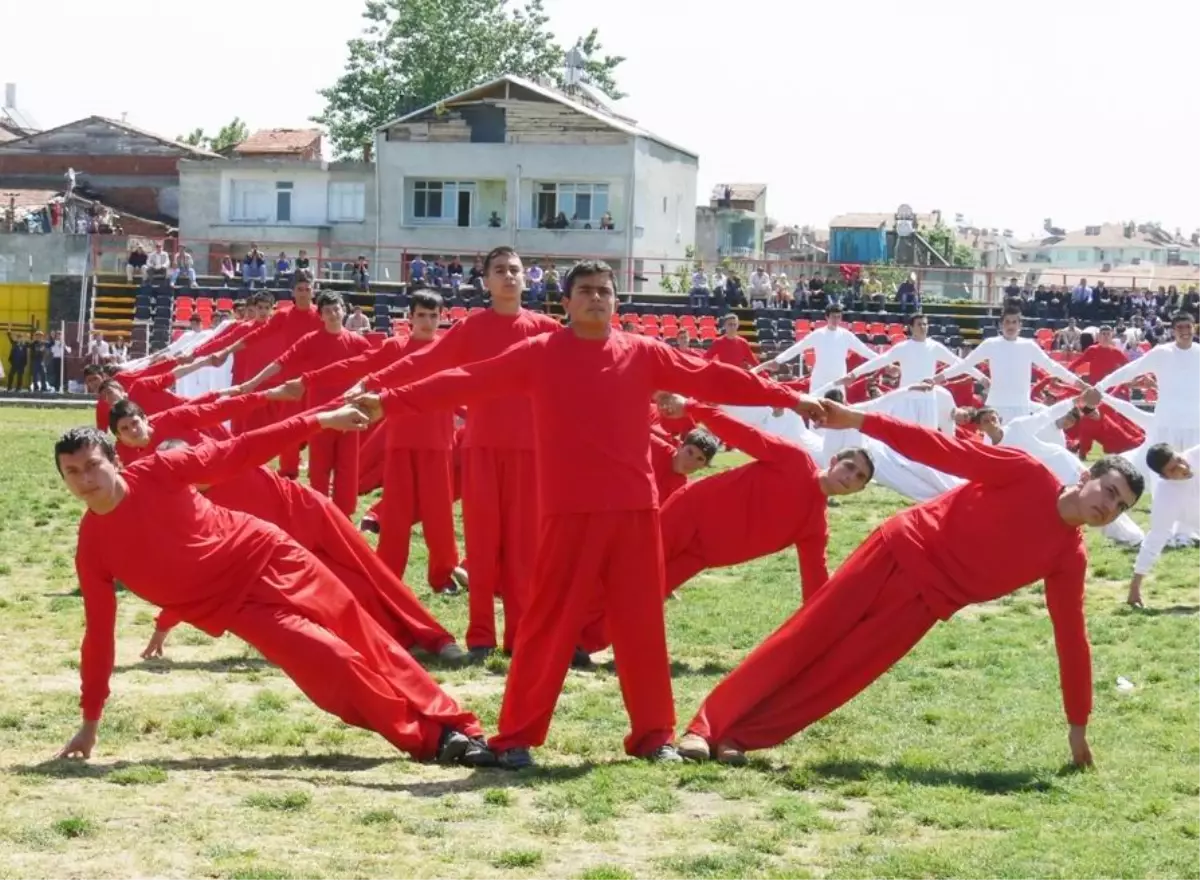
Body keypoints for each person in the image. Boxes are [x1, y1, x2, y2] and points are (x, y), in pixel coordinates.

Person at [351, 259, 825, 770]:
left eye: (604, 290)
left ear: (616, 301)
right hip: (569, 511)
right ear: (567, 302)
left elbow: (712, 377)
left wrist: (790, 398)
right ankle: (515, 738)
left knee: (642, 625)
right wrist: (388, 402)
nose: (596, 298)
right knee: (547, 623)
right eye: (585, 291)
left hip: (636, 511)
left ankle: (654, 735)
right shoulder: (539, 353)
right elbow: (467, 380)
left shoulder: (642, 352)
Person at [676, 403, 1145, 767]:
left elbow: (1072, 638)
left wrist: (1078, 723)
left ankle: (741, 737)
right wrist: (861, 419)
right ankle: (705, 726)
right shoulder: (1026, 472)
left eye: (1120, 506)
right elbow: (939, 449)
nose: (1109, 506)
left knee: (841, 672)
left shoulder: (1069, 557)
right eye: (1108, 491)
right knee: (807, 636)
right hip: (897, 551)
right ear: (1087, 476)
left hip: (927, 603)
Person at [54, 414, 493, 767]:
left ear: (115, 460)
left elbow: (241, 449)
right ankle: (434, 741)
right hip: (240, 606)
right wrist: (90, 721)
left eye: (93, 465)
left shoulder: (160, 470)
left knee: (367, 638)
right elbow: (98, 637)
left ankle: (461, 725)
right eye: (72, 472)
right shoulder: (92, 549)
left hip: (274, 553)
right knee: (331, 660)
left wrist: (321, 419)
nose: (85, 479)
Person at [353, 248, 561, 659]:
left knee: (523, 548)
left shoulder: (548, 330)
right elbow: (425, 361)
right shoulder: (472, 329)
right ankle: (480, 635)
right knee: (482, 544)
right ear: (485, 280)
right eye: (499, 270)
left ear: (527, 279)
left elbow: (584, 373)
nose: (508, 277)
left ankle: (520, 636)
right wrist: (374, 382)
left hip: (529, 452)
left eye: (515, 270)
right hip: (481, 448)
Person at [141, 427, 464, 662]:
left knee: (372, 574)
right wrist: (162, 628)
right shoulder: (193, 507)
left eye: (184, 462)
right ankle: (405, 642)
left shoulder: (225, 455)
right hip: (289, 548)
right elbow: (198, 571)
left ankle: (437, 639)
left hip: (315, 516)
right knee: (347, 590)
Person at [280, 291, 467, 593]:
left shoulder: (449, 350)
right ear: (409, 318)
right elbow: (357, 365)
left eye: (434, 316)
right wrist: (308, 380)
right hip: (400, 442)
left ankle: (442, 575)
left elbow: (458, 390)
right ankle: (389, 574)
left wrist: (471, 414)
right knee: (395, 512)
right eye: (421, 315)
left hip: (438, 443)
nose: (428, 322)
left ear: (442, 317)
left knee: (439, 514)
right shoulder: (395, 347)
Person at [233, 290, 372, 515]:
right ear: (321, 316)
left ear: (344, 310)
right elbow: (282, 361)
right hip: (321, 414)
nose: (333, 314)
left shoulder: (358, 342)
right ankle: (318, 512)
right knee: (319, 468)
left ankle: (343, 515)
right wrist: (253, 382)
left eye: (336, 309)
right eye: (327, 311)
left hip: (350, 411)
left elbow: (377, 367)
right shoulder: (311, 341)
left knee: (348, 467)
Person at [208, 271, 322, 479]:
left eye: (308, 289)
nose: (304, 294)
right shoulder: (284, 316)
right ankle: (288, 472)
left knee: (318, 428)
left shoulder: (321, 315)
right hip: (291, 382)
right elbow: (257, 335)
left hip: (318, 380)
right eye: (300, 289)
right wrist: (226, 351)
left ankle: (319, 470)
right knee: (290, 427)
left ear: (314, 289)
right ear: (292, 292)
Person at [935, 304, 1084, 422]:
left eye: (1014, 322)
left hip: (1021, 406)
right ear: (1001, 325)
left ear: (1020, 325)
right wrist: (939, 377)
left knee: (1017, 451)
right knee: (993, 450)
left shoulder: (1028, 345)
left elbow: (1051, 366)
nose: (1010, 326)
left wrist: (1077, 382)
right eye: (1007, 322)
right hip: (996, 405)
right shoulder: (990, 344)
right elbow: (965, 365)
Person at [1098, 312, 1200, 455]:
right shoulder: (1161, 353)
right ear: (1172, 330)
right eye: (1180, 327)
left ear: (1194, 328)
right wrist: (1100, 386)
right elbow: (1130, 370)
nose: (1184, 331)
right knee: (1162, 473)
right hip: (1166, 424)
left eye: (1188, 327)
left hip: (1196, 425)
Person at [1125, 443, 1200, 607]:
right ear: (1164, 477)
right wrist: (1135, 586)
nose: (1183, 467)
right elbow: (1155, 538)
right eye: (1173, 470)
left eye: (1179, 460)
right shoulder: (1166, 497)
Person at [758, 303, 876, 391]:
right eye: (833, 317)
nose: (836, 320)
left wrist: (884, 360)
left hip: (839, 380)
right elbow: (798, 347)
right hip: (819, 380)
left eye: (838, 317)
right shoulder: (818, 334)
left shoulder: (846, 335)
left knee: (838, 417)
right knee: (814, 414)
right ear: (827, 317)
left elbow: (864, 350)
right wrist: (778, 360)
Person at [650, 422, 720, 505]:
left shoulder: (681, 491)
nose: (690, 461)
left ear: (704, 466)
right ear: (680, 446)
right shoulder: (652, 446)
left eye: (700, 459)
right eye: (690, 452)